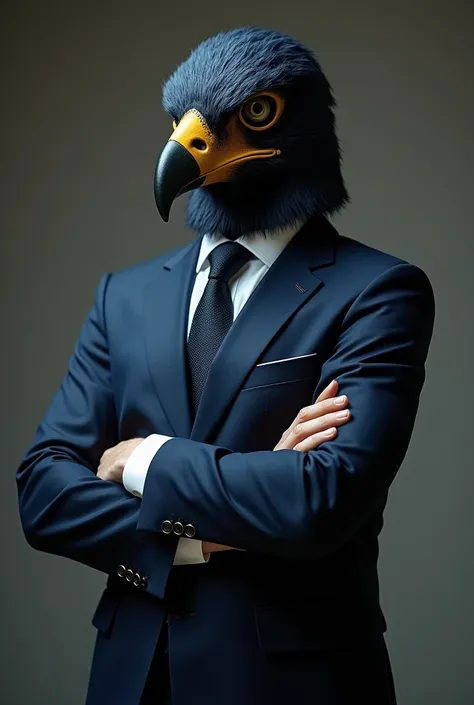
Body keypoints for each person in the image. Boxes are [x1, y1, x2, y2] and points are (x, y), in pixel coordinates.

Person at [17, 27, 435, 705]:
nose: (191, 142)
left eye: (256, 112)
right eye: (182, 123)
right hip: (131, 679)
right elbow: (43, 490)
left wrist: (147, 460)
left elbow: (319, 498)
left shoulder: (378, 291)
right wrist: (194, 541)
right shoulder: (123, 296)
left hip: (295, 684)